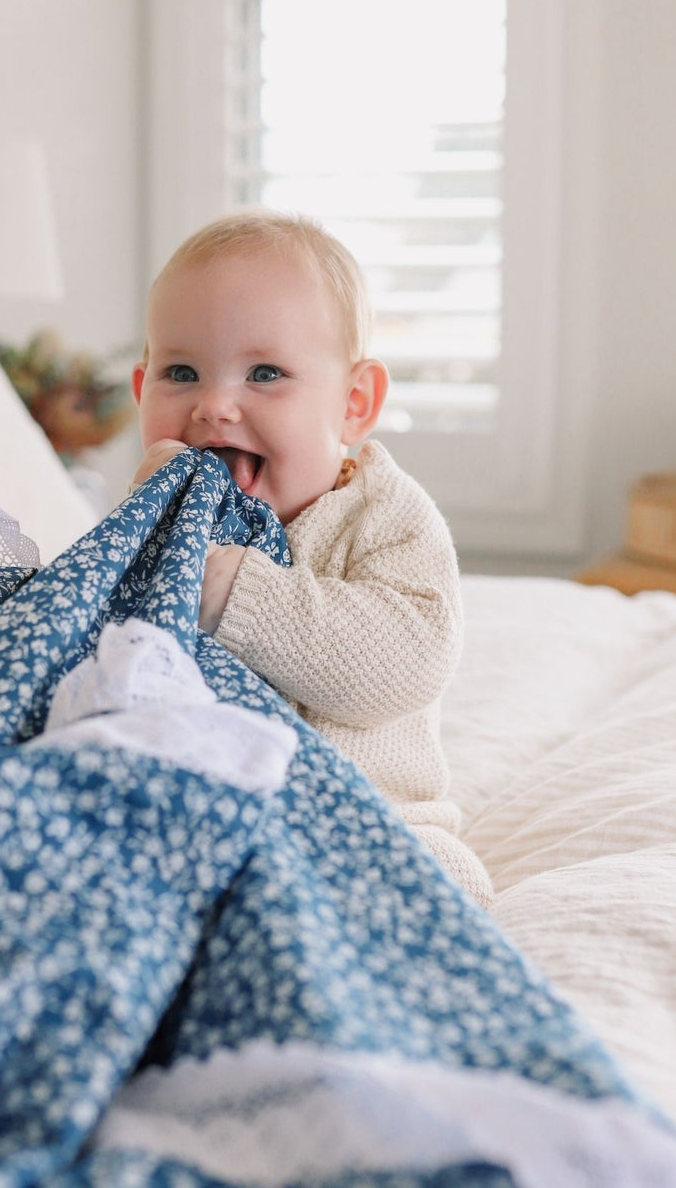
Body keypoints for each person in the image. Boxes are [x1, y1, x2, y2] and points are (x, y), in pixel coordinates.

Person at [129, 211, 493, 908]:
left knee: (449, 883)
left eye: (264, 373)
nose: (213, 405)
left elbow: (410, 660)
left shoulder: (383, 514)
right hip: (205, 805)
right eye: (181, 372)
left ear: (354, 404)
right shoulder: (155, 517)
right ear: (142, 392)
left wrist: (237, 592)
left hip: (370, 817)